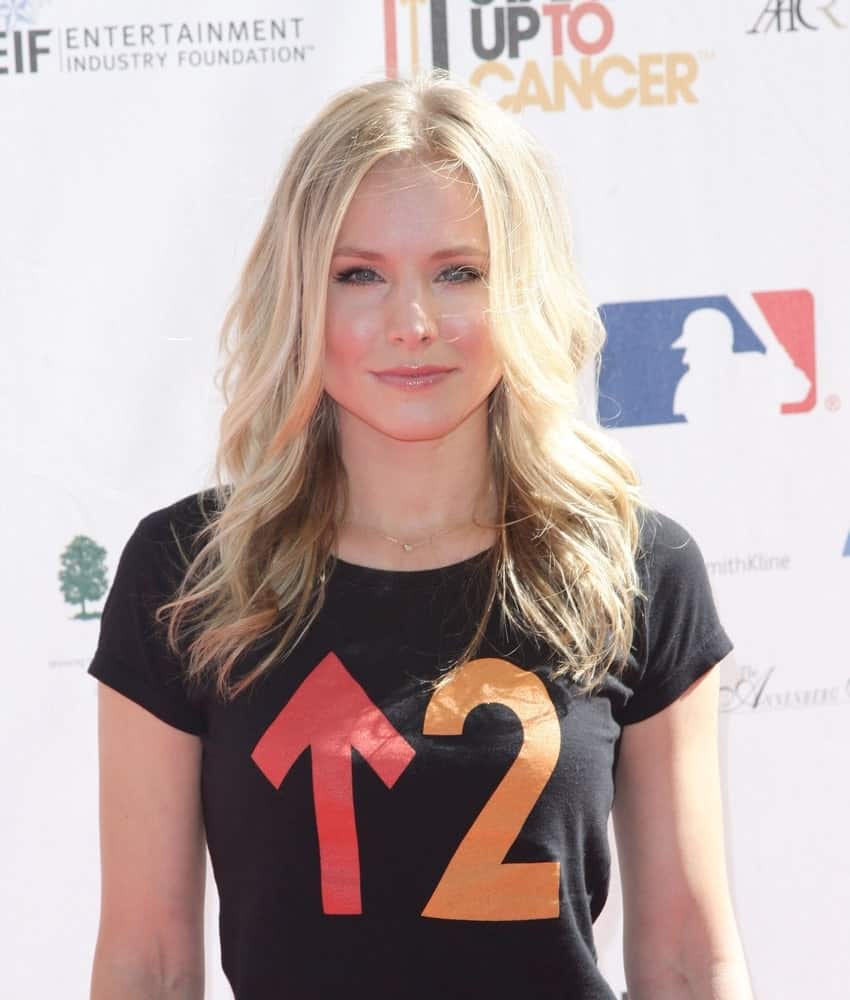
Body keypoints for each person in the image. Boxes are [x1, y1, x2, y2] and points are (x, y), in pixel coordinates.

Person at [88, 70, 754, 999]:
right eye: (359, 275)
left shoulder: (636, 569)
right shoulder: (189, 574)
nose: (412, 325)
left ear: (521, 288)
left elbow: (686, 955)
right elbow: (148, 962)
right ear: (301, 297)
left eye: (459, 273)